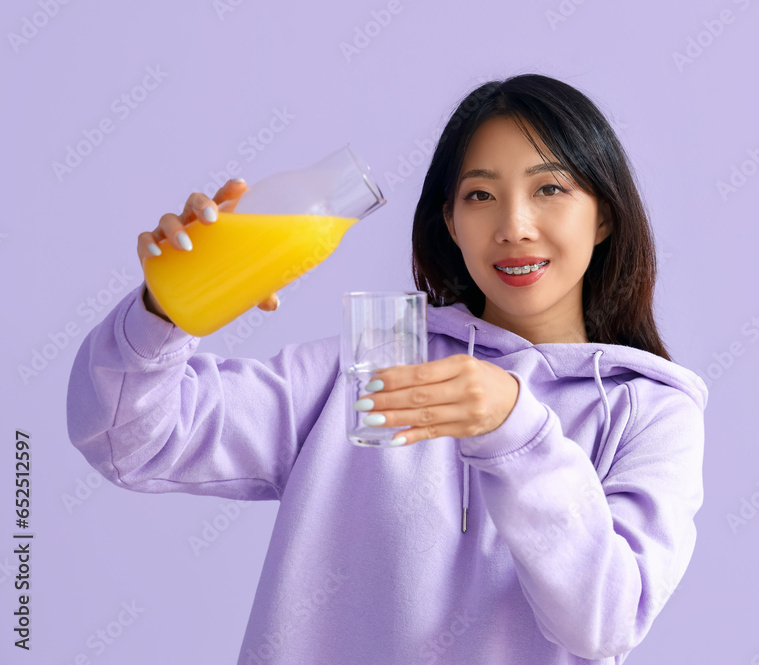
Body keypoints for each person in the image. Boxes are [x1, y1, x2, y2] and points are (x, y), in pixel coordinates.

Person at [66, 73, 708, 664]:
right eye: (480, 194)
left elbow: (603, 623)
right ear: (450, 223)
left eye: (550, 189)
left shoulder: (648, 409)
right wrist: (165, 309)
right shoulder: (383, 353)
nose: (514, 225)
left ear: (603, 218)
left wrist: (517, 430)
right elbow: (130, 441)